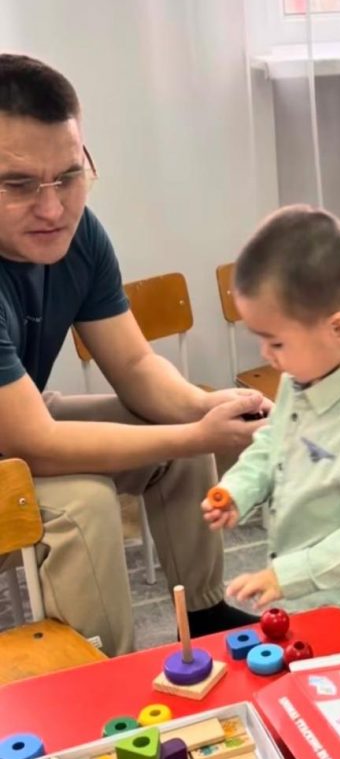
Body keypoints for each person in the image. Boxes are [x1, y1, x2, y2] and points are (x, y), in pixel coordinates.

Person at [0, 54, 271, 656]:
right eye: (18, 185)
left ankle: (202, 613)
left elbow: (135, 365)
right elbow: (34, 443)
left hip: (18, 418)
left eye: (70, 176)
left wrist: (204, 408)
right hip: (18, 434)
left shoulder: (79, 236)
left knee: (175, 433)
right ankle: (101, 672)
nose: (53, 208)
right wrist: (198, 434)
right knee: (85, 506)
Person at [201, 206, 340, 634]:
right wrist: (239, 490)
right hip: (303, 591)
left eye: (276, 342)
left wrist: (285, 576)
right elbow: (273, 443)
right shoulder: (302, 377)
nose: (265, 355)